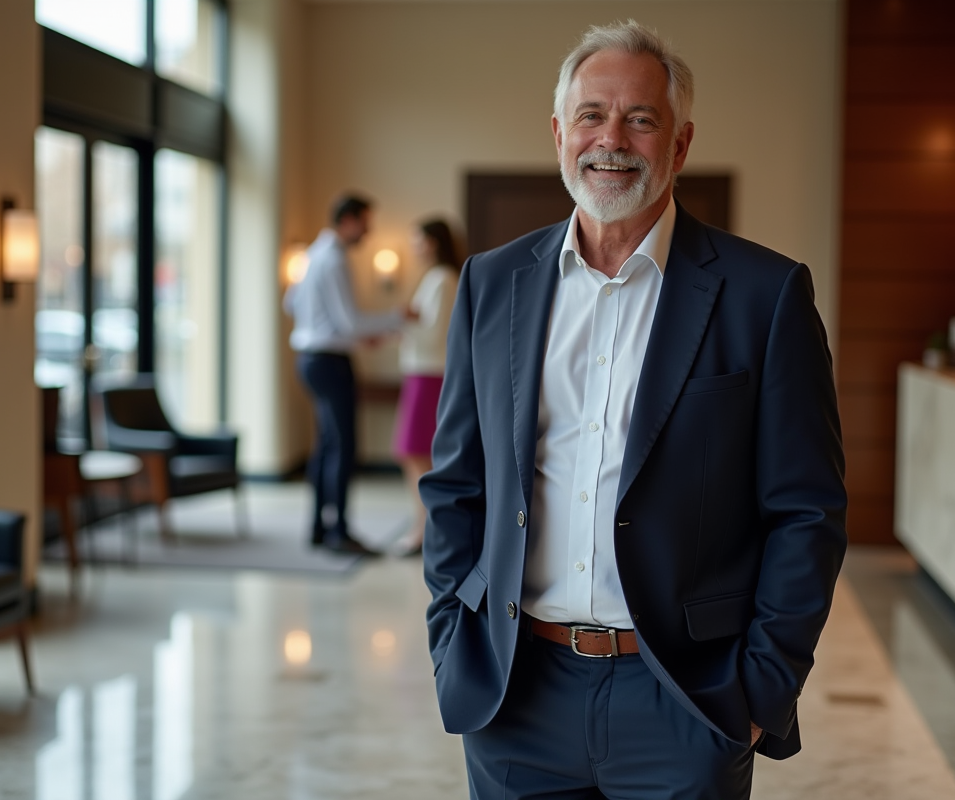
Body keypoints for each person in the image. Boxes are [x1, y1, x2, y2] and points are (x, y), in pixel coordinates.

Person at [421, 20, 847, 800]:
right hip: (516, 696)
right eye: (591, 114)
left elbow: (807, 512)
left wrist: (758, 690)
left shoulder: (766, 296)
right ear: (558, 133)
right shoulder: (492, 283)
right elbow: (457, 483)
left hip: (685, 699)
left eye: (640, 119)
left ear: (679, 145)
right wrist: (454, 641)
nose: (610, 138)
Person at [285, 193, 402, 555]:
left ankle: (319, 527)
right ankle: (339, 532)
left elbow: (290, 303)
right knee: (343, 446)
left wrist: (347, 334)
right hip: (330, 362)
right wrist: (399, 317)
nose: (367, 231)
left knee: (326, 445)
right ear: (348, 220)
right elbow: (349, 320)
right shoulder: (334, 259)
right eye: (365, 223)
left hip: (308, 358)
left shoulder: (310, 255)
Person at [391, 219, 461, 557]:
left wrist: (406, 319)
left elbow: (436, 333)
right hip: (421, 372)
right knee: (414, 452)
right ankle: (422, 526)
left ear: (432, 242)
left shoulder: (444, 279)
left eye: (417, 241)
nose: (415, 248)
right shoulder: (436, 278)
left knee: (416, 452)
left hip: (430, 373)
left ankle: (424, 529)